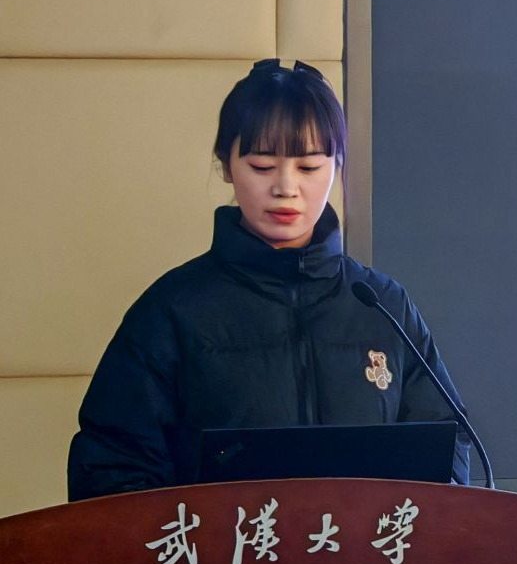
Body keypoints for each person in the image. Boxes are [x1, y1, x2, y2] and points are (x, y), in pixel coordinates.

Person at [68, 59, 473, 499]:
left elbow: (446, 446)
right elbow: (111, 468)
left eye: (309, 167)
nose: (285, 188)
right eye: (262, 166)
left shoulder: (381, 305)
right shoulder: (172, 311)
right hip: (229, 544)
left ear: (337, 165)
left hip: (364, 546)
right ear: (226, 165)